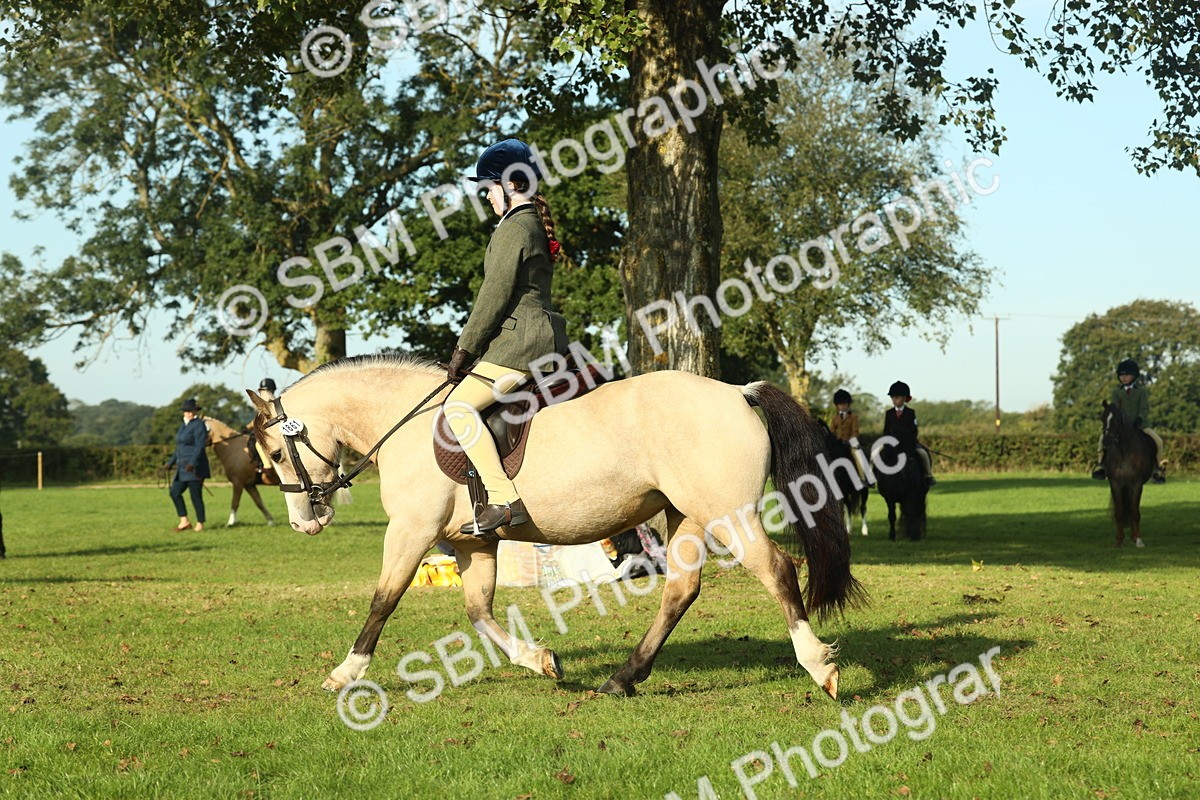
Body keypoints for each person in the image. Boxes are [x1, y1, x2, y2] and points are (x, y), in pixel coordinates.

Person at [445, 138, 569, 534]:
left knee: (458, 408)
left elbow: (493, 296)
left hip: (521, 343)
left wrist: (465, 348)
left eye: (489, 188)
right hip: (540, 338)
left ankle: (502, 498)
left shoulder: (514, 227)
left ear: (511, 184)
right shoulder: (529, 223)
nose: (486, 196)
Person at [1092, 358, 1165, 483]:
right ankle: (1100, 465)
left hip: (1140, 425)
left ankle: (1157, 469)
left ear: (1134, 376)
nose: (1123, 377)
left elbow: (1145, 409)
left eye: (1126, 375)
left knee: (1158, 441)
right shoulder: (1116, 392)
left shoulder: (1141, 392)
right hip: (1121, 426)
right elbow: (1115, 409)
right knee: (1101, 439)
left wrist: (1139, 418)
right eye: (1121, 375)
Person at [167, 398, 210, 531]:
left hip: (194, 468)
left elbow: (199, 446)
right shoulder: (184, 425)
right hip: (182, 467)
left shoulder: (198, 425)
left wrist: (192, 463)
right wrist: (170, 462)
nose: (188, 413)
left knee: (195, 496)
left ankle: (200, 523)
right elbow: (180, 446)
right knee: (174, 492)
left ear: (194, 411)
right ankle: (184, 521)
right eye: (186, 411)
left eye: (191, 411)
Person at [883, 381, 935, 486]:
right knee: (875, 453)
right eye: (892, 397)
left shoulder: (910, 412)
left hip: (908, 443)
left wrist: (908, 439)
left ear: (904, 398)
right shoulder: (889, 413)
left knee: (923, 453)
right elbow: (886, 430)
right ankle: (873, 476)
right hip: (892, 443)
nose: (894, 400)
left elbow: (914, 430)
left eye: (897, 397)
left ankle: (928, 475)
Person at [828, 389, 871, 485]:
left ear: (848, 404)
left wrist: (851, 440)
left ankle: (864, 477)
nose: (842, 406)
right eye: (840, 404)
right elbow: (831, 432)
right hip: (839, 444)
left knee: (857, 453)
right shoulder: (835, 419)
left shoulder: (853, 417)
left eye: (844, 404)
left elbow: (855, 431)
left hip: (850, 443)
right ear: (837, 405)